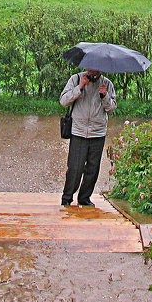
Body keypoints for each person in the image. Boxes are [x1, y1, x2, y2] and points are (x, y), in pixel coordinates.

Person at [59, 68, 117, 206]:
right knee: (75, 168)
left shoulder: (107, 84)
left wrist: (105, 96)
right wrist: (79, 88)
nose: (93, 70)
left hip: (97, 132)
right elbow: (63, 101)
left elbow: (112, 108)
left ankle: (84, 199)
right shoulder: (75, 79)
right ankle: (67, 198)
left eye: (96, 68)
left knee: (92, 169)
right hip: (78, 131)